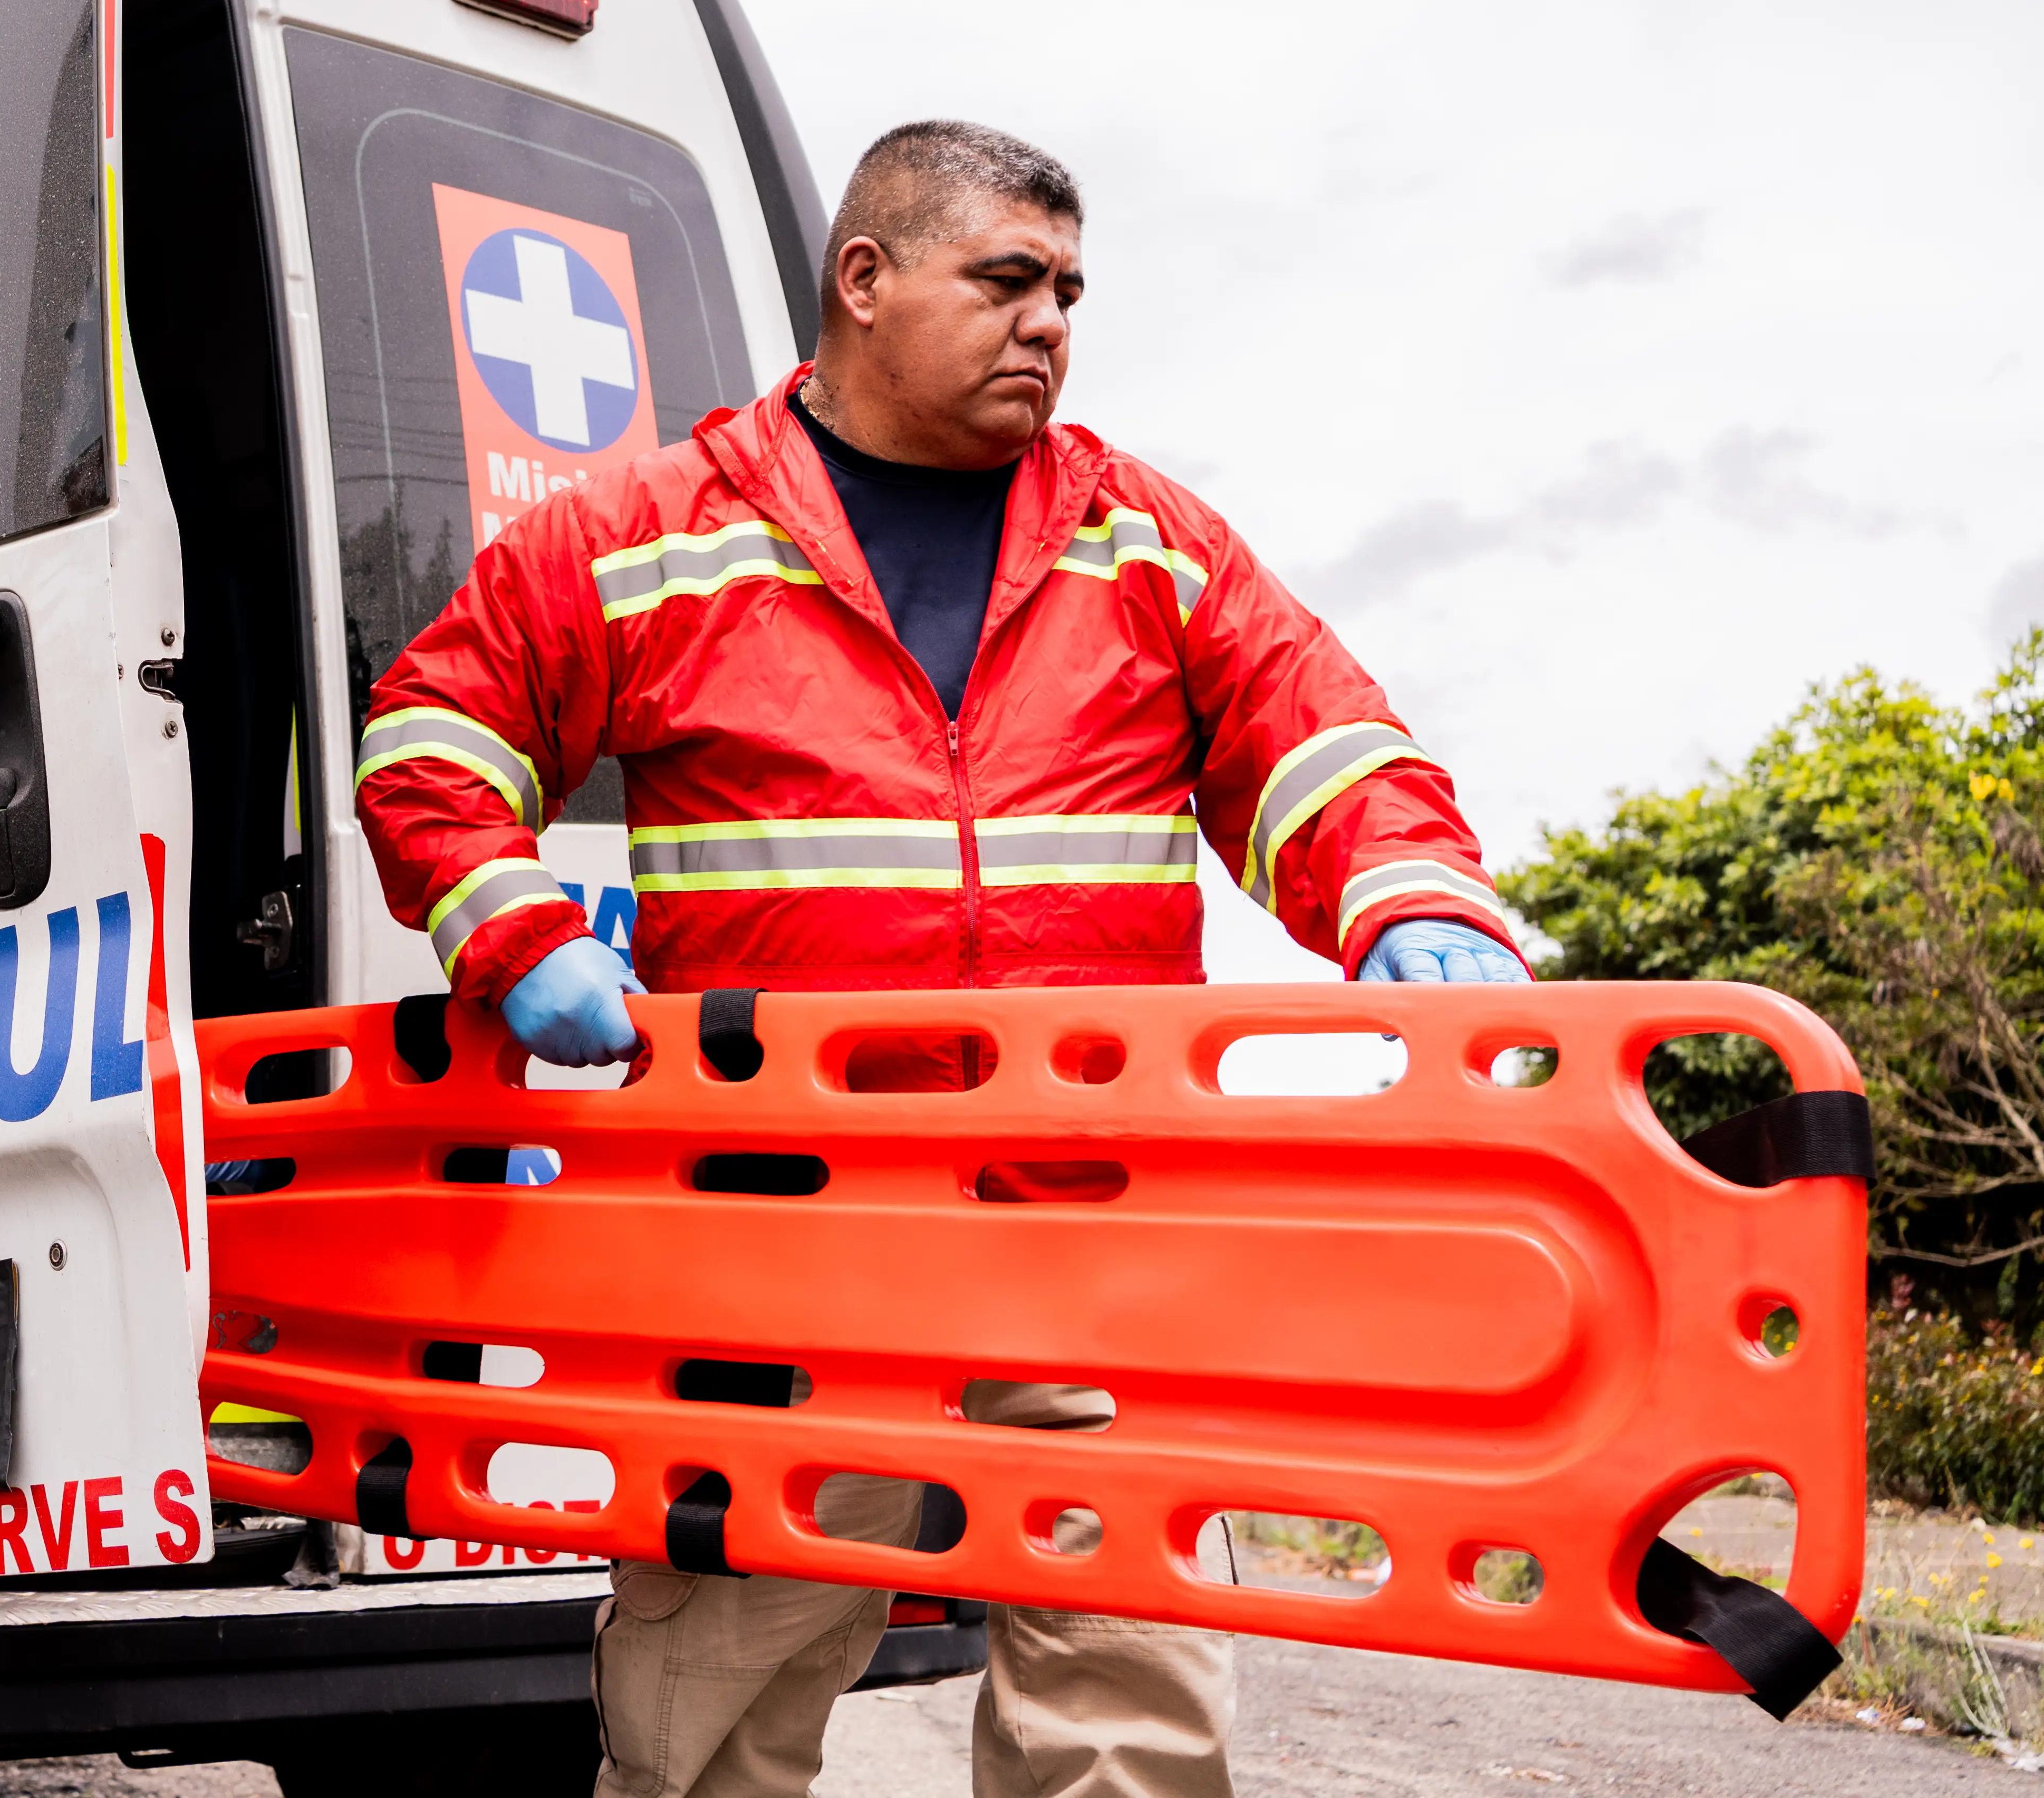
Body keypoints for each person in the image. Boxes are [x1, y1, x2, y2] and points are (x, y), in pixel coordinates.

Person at [353, 121, 1528, 1798]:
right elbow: (434, 739)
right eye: (1007, 280)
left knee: (1127, 1703)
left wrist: (1416, 901)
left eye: (1069, 294)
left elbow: (1322, 742)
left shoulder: (1146, 542)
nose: (1049, 323)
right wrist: (515, 931)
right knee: (711, 1714)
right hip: (781, 1233)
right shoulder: (647, 533)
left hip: (1091, 1228)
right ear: (867, 279)